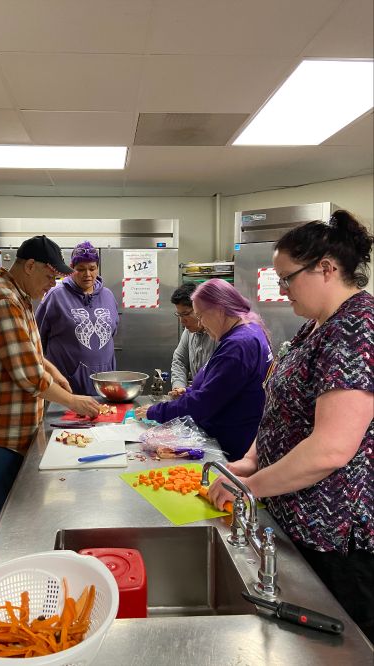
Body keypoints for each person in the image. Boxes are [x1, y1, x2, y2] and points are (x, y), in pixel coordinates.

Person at [208, 211, 373, 642]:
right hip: (295, 517)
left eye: (287, 279)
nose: (281, 291)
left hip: (335, 535)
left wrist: (251, 487)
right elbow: (285, 411)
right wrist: (250, 460)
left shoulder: (356, 326)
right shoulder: (313, 327)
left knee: (340, 646)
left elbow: (332, 449)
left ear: (326, 268)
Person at [0, 235, 100, 559]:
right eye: (49, 276)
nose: (51, 285)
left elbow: (28, 351)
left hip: (14, 429)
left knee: (11, 513)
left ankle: (8, 570)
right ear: (29, 266)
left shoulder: (16, 297)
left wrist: (54, 370)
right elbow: (29, 376)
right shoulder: (1, 300)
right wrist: (74, 402)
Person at [135, 279, 273, 461]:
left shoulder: (238, 345)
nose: (200, 323)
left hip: (232, 444)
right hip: (237, 433)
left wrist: (156, 411)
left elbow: (204, 403)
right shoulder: (249, 330)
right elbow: (215, 383)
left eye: (200, 316)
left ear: (219, 310)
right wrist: (190, 390)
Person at [35, 240, 119, 395]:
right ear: (71, 269)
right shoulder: (56, 295)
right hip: (67, 387)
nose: (87, 274)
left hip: (105, 385)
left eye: (92, 268)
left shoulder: (108, 295)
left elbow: (111, 332)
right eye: (81, 269)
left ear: (97, 268)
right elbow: (37, 339)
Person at [170, 282, 217, 398]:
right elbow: (179, 360)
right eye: (179, 315)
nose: (182, 321)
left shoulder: (219, 335)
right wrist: (178, 387)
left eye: (185, 314)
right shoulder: (189, 332)